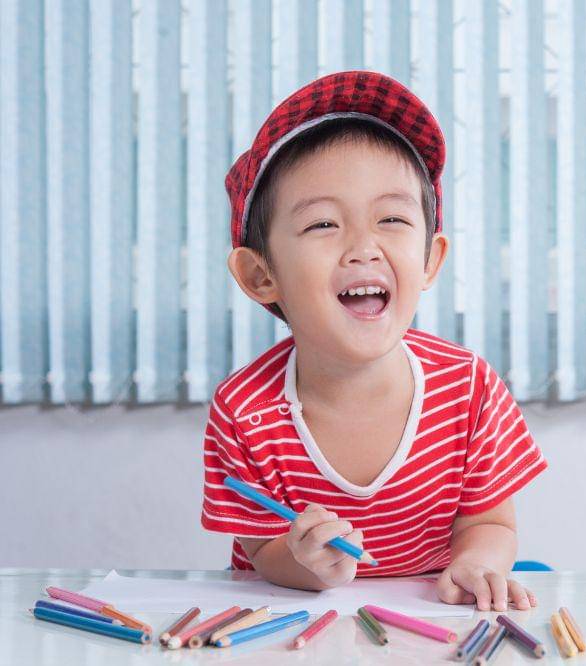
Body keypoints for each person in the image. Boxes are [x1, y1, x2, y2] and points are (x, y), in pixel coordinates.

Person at [200, 71, 547, 612]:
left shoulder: (469, 388)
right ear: (260, 275)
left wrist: (478, 563)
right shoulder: (243, 411)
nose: (364, 247)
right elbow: (261, 550)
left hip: (431, 628)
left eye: (391, 218)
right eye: (322, 225)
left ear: (430, 259)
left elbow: (491, 522)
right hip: (291, 629)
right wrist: (307, 565)